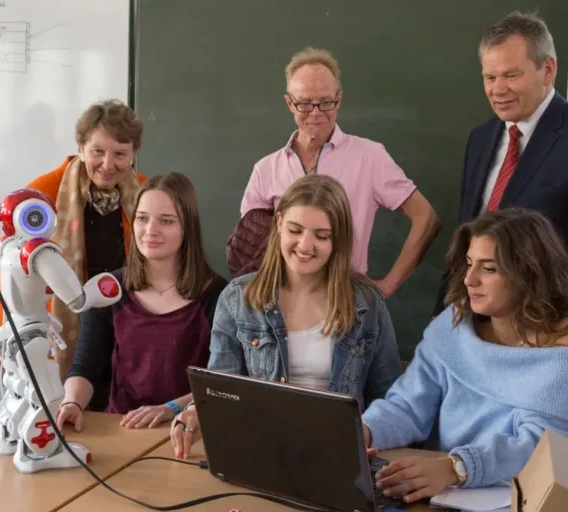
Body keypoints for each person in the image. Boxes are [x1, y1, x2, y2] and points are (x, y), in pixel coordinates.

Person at [361, 208, 568, 503]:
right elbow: (408, 405)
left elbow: (539, 449)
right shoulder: (455, 324)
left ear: (528, 273)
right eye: (469, 263)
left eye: (488, 268)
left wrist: (457, 468)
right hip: (453, 496)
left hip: (549, 499)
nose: (469, 280)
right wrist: (366, 431)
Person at [171, 174, 403, 459]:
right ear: (279, 223)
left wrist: (364, 436)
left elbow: (392, 401)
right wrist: (197, 411)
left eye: (321, 235)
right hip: (260, 452)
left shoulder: (367, 304)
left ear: (337, 239)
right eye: (295, 229)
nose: (305, 246)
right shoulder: (237, 298)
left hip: (337, 457)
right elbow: (221, 389)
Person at [433, 11, 568, 317]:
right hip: (471, 325)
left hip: (545, 330)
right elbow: (469, 240)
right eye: (490, 77)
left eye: (511, 75)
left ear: (548, 70)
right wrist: (444, 316)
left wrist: (567, 327)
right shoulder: (480, 139)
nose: (497, 89)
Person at [240, 47, 440, 299]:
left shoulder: (370, 156)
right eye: (304, 103)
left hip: (347, 301)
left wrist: (387, 286)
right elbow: (249, 248)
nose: (316, 112)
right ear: (289, 103)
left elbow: (426, 217)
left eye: (326, 102)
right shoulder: (265, 169)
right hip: (280, 303)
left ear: (339, 99)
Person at [0, 99, 148, 382]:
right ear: (81, 148)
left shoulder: (147, 193)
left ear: (133, 153)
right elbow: (13, 271)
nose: (108, 165)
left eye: (120, 154)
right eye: (97, 151)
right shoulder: (40, 194)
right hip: (58, 330)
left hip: (127, 327)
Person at [56, 173, 227, 429]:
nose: (150, 231)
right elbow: (84, 367)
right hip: (120, 427)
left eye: (166, 221)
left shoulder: (219, 295)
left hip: (186, 429)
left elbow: (221, 383)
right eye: (142, 218)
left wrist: (170, 409)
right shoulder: (107, 289)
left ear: (187, 227)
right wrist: (72, 403)